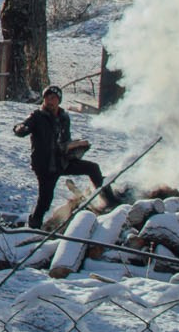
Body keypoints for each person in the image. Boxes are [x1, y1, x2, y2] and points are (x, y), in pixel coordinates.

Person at [13, 85, 115, 229]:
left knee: (93, 168)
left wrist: (75, 147)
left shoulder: (64, 117)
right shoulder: (37, 116)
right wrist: (20, 129)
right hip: (46, 166)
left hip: (63, 162)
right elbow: (23, 127)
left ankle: (110, 202)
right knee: (45, 201)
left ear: (59, 100)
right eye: (47, 98)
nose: (50, 101)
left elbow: (65, 140)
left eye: (53, 98)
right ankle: (33, 226)